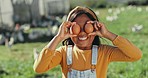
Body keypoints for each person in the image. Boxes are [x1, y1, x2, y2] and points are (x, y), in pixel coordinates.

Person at [33, 6, 142, 78]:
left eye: (87, 27)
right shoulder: (63, 53)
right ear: (69, 29)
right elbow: (39, 68)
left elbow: (135, 55)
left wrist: (108, 34)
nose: (82, 33)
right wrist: (58, 37)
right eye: (76, 28)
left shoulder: (103, 53)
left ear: (95, 29)